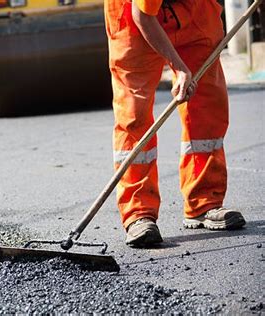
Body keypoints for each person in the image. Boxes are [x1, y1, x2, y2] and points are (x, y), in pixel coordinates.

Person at [104, 0, 246, 248]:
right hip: (133, 16)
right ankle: (139, 213)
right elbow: (143, 16)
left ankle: (204, 202)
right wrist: (179, 68)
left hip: (195, 11)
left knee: (207, 106)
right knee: (134, 114)